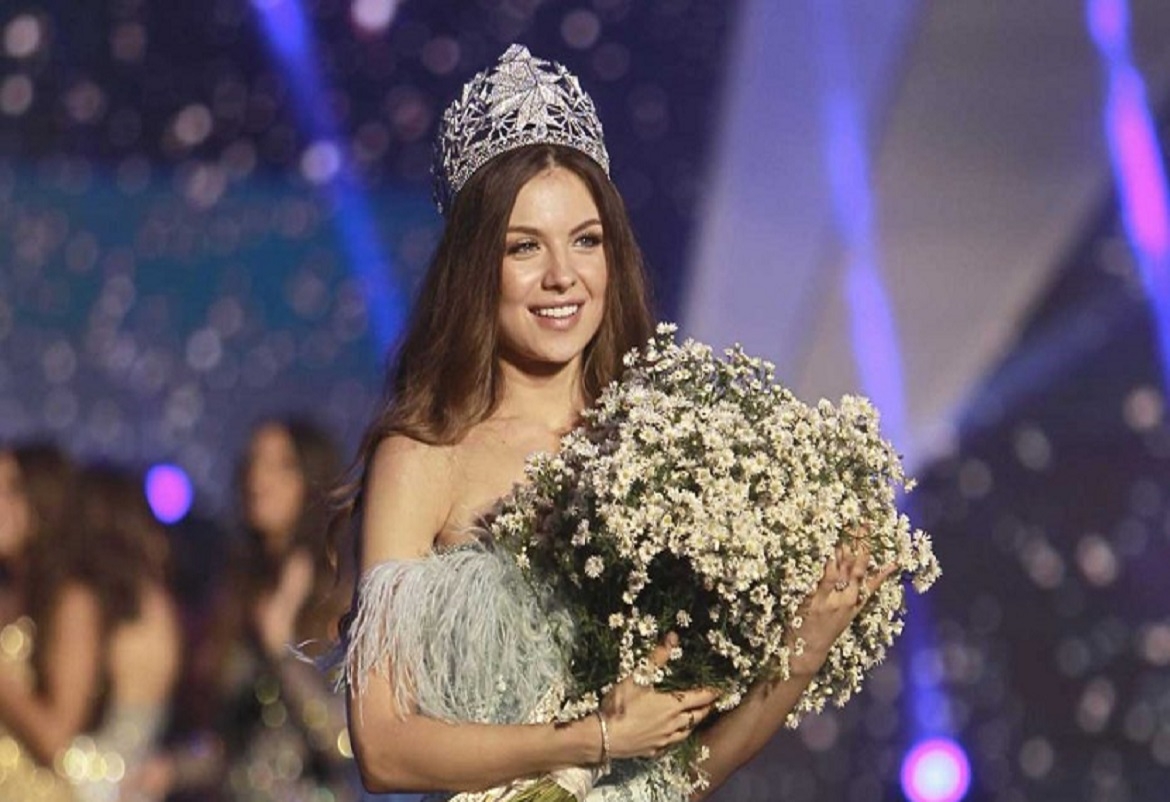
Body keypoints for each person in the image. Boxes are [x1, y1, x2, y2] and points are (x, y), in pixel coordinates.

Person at [340, 45, 895, 801]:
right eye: (524, 247)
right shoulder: (424, 458)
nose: (562, 276)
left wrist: (807, 645)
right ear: (475, 269)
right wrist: (593, 739)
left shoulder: (665, 455)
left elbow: (679, 776)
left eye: (586, 240)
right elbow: (383, 748)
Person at [130, 417, 357, 802]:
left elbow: (343, 742)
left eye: (281, 465)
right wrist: (172, 769)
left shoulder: (338, 596)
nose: (258, 478)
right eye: (253, 462)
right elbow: (233, 747)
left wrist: (281, 648)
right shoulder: (240, 591)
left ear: (313, 479)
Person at [0, 443, 183, 802]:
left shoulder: (71, 602)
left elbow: (56, 739)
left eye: (10, 490)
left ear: (40, 500)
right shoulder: (18, 594)